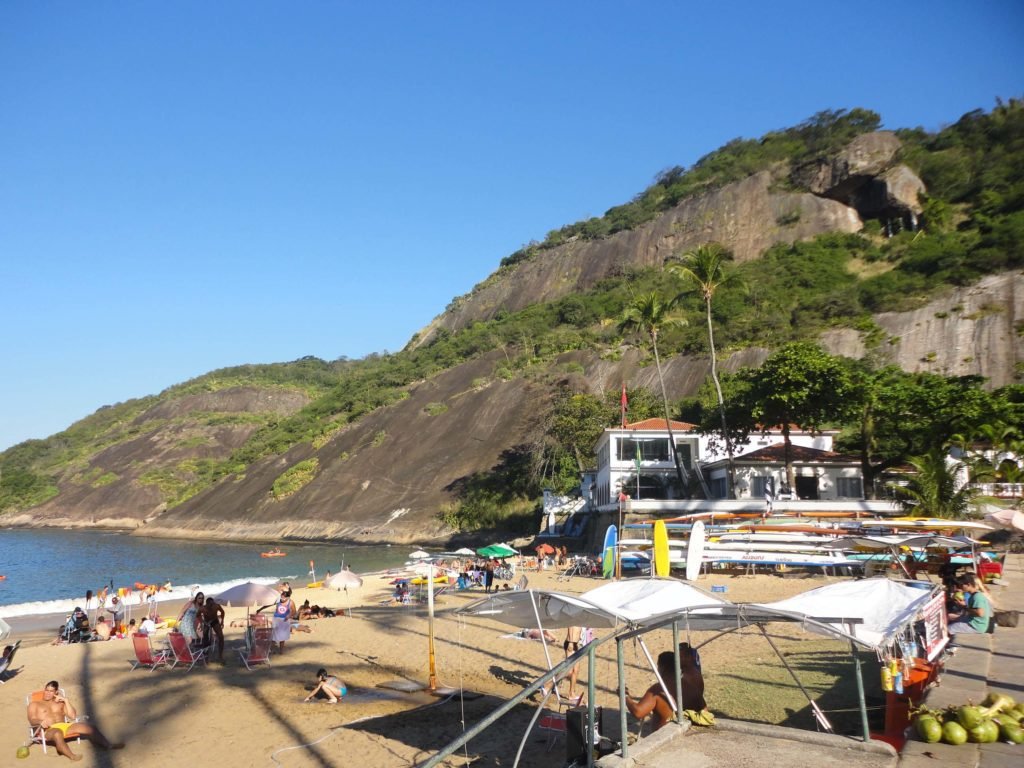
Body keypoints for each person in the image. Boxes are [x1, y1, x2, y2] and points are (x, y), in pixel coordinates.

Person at [27, 680, 124, 760]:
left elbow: (73, 716)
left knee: (90, 727)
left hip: (65, 726)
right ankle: (72, 756)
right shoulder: (35, 704)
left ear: (56, 692)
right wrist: (40, 722)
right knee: (57, 733)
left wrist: (66, 701)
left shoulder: (60, 703)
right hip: (49, 730)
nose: (48, 693)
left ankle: (108, 745)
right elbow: (32, 719)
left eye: (51, 691)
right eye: (46, 690)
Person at [625, 651, 678, 732]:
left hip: (663, 737)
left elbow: (638, 712)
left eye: (658, 666)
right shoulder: (685, 683)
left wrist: (625, 697)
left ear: (662, 667)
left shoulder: (658, 689)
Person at [258, 589, 297, 653]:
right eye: (281, 596)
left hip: (284, 621)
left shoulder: (291, 602)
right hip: (276, 619)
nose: (282, 598)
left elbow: (294, 611)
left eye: (284, 597)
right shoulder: (278, 600)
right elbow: (268, 605)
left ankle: (281, 651)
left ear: (288, 597)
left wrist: (289, 616)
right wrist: (260, 609)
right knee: (273, 635)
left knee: (282, 636)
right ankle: (270, 650)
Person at [677, 643, 707, 712]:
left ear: (688, 657)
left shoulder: (692, 676)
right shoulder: (686, 672)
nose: (677, 661)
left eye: (680, 657)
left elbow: (692, 702)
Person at [202, 596, 226, 662]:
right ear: (206, 604)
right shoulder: (203, 608)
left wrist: (222, 621)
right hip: (206, 622)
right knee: (205, 638)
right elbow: (198, 616)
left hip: (214, 621)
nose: (211, 606)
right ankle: (205, 655)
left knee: (221, 637)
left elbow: (222, 612)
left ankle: (220, 656)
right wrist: (203, 622)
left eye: (212, 604)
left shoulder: (217, 606)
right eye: (209, 605)